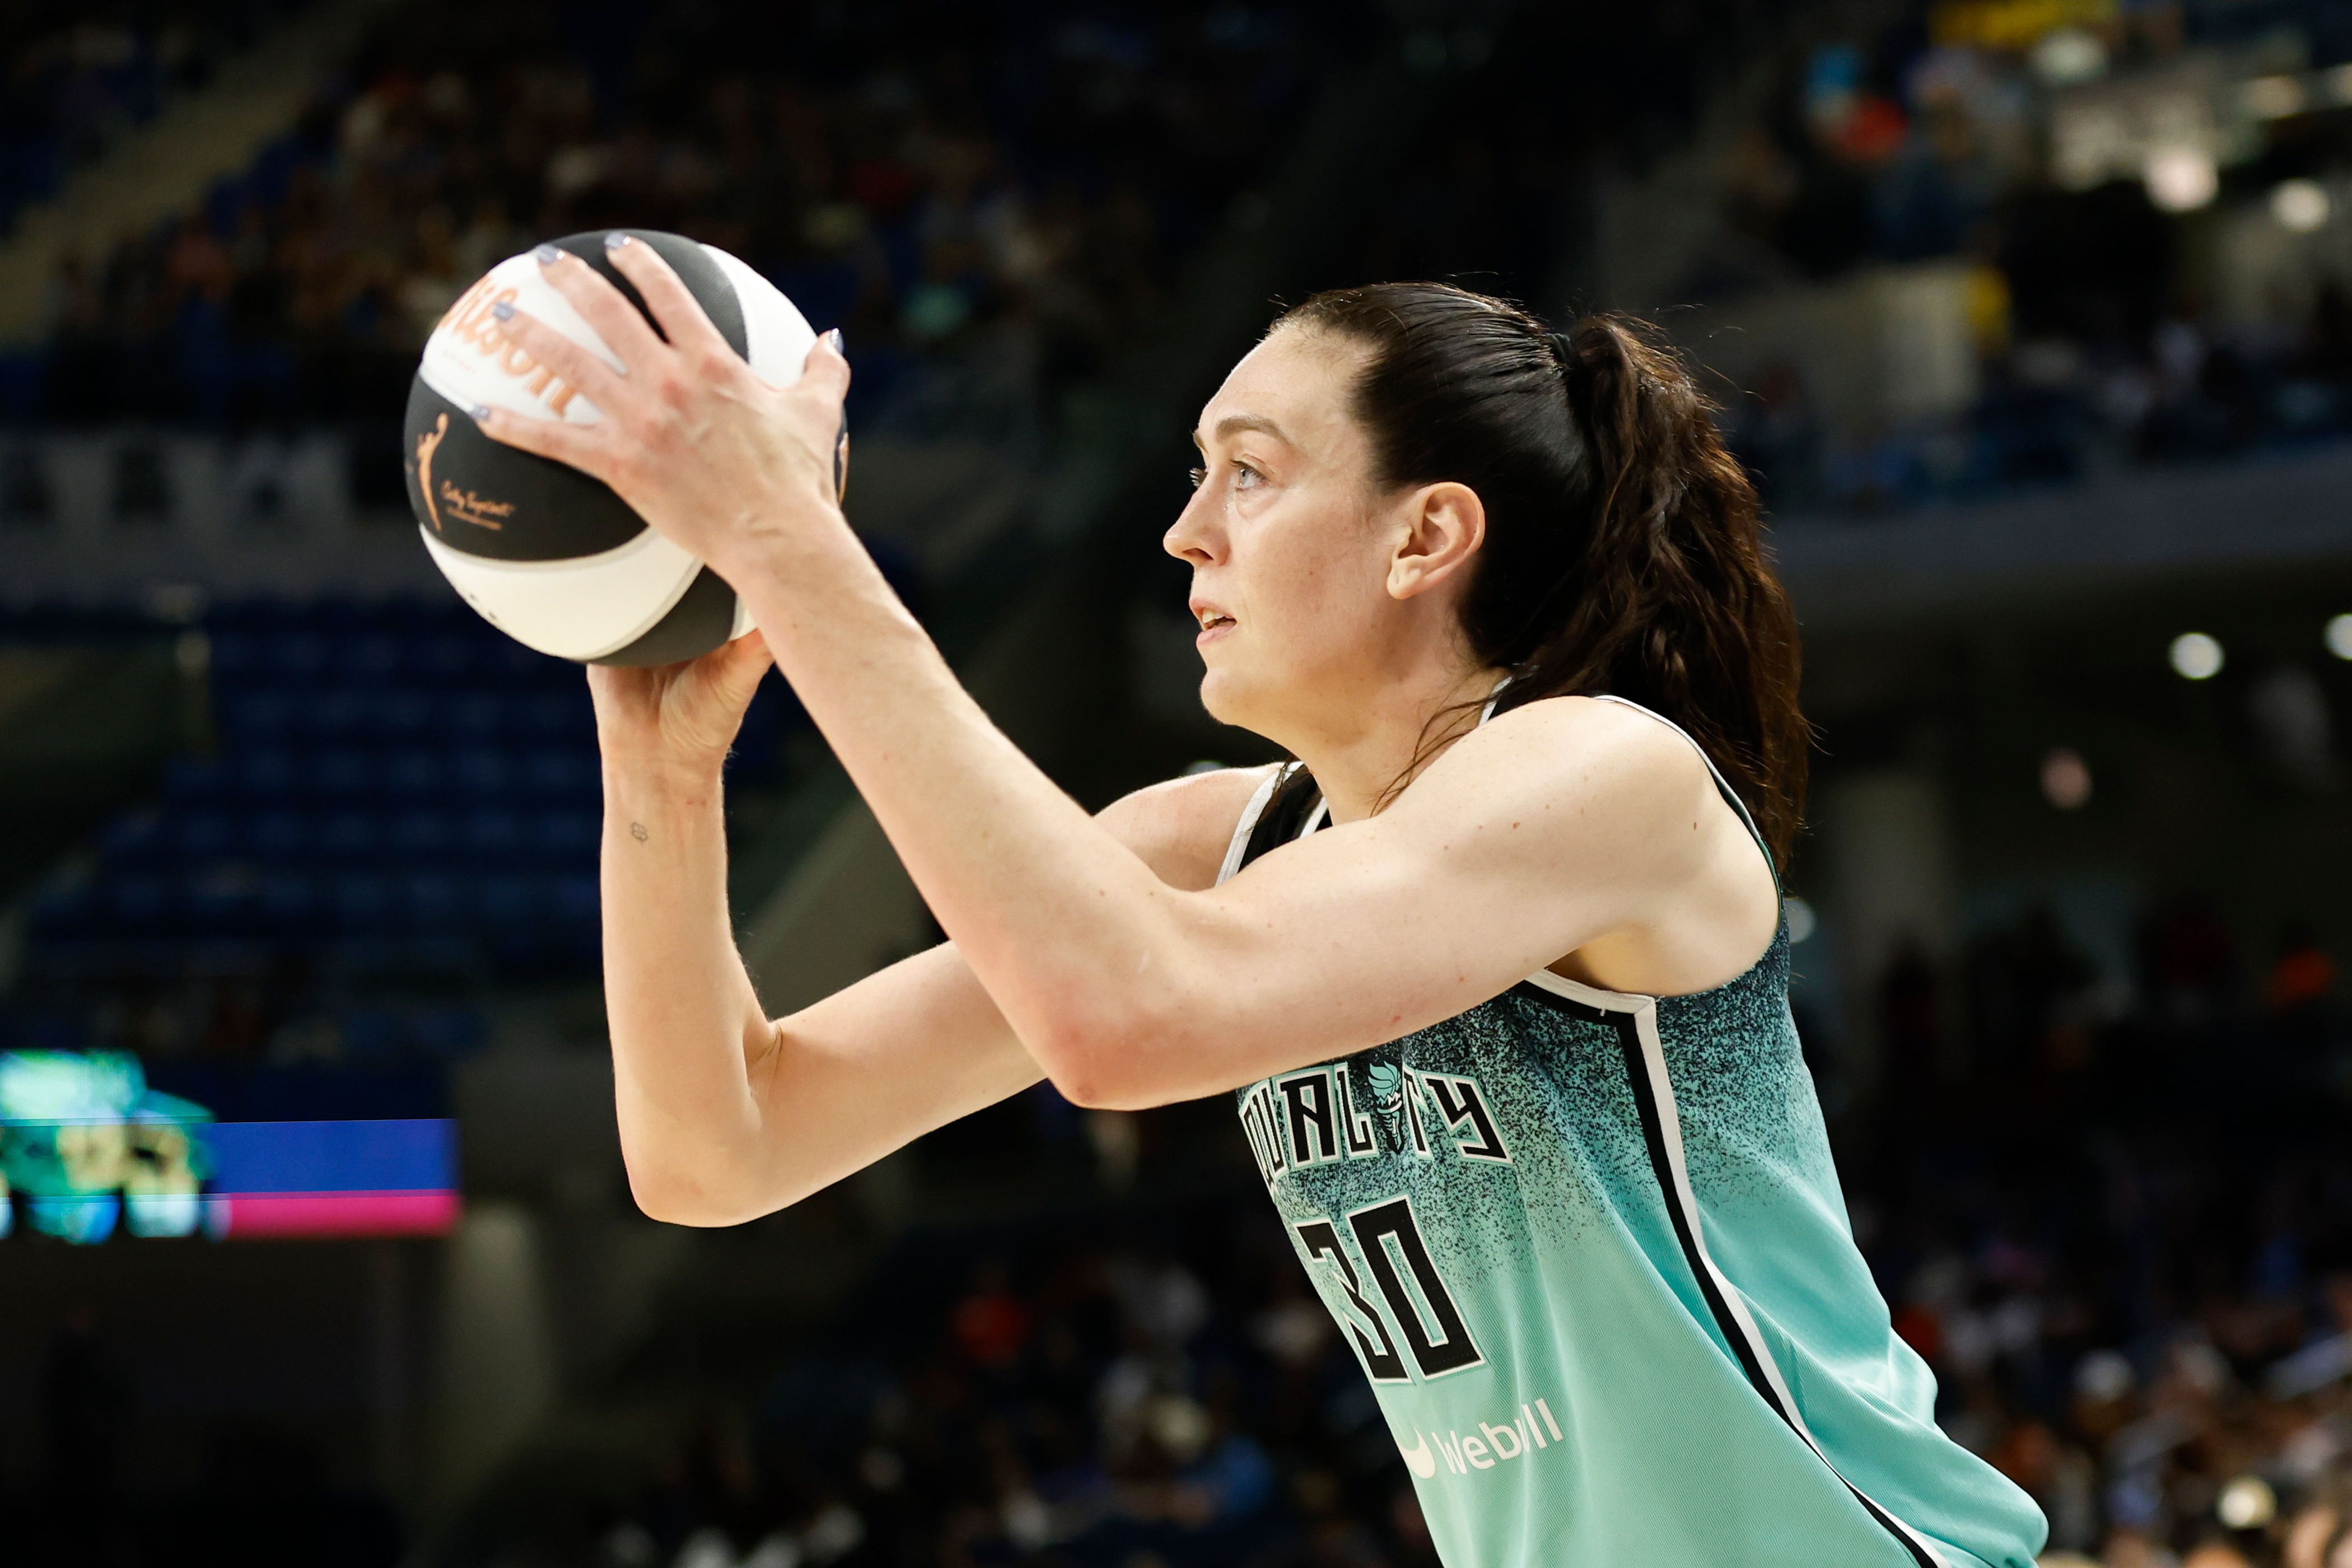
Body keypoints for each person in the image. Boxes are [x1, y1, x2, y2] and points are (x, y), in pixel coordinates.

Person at [478, 245, 2048, 1566]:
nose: (1187, 533)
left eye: (1251, 472)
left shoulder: (1602, 771)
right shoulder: (1202, 849)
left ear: (1426, 535)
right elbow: (716, 1150)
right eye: (1193, 476)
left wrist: (787, 540)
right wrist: (660, 786)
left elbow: (1133, 1019)